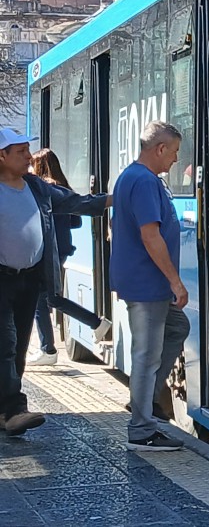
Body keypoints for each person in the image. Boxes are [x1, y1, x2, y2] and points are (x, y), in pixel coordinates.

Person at [0, 128, 110, 436]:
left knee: (19, 344)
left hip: (31, 277)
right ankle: (13, 409)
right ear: (2, 156)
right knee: (6, 343)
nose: (27, 156)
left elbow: (75, 203)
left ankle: (5, 409)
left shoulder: (36, 187)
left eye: (27, 150)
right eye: (20, 151)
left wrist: (115, 199)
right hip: (2, 278)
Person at [111, 121, 190, 451]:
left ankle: (142, 401)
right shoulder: (143, 182)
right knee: (146, 355)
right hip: (148, 285)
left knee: (176, 329)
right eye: (173, 152)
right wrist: (176, 281)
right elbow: (150, 235)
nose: (175, 160)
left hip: (146, 283)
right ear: (159, 149)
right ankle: (141, 429)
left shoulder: (135, 177)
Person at [27, 149, 111, 366]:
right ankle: (49, 347)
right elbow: (76, 221)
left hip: (50, 251)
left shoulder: (44, 188)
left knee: (47, 299)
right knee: (47, 298)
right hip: (63, 248)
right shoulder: (61, 187)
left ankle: (51, 347)